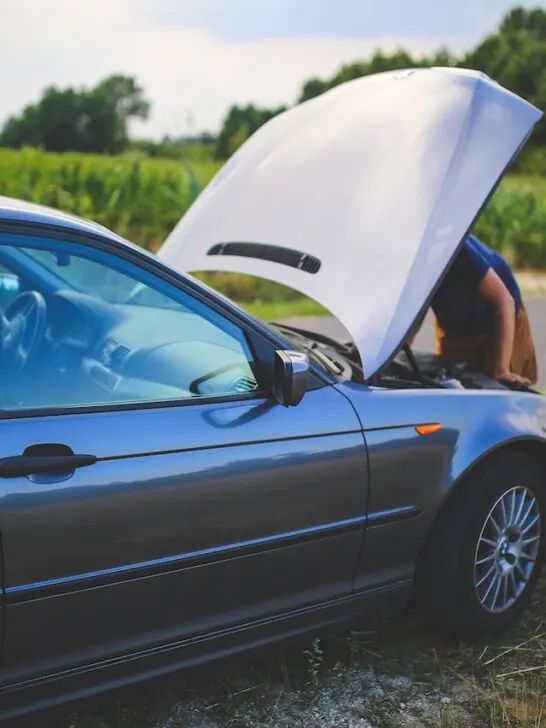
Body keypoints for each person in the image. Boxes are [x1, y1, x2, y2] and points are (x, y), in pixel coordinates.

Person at [412, 234, 537, 387]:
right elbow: (414, 313)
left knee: (500, 386)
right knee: (451, 384)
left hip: (500, 319)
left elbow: (504, 302)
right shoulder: (409, 261)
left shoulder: (455, 249)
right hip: (456, 327)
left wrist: (502, 370)